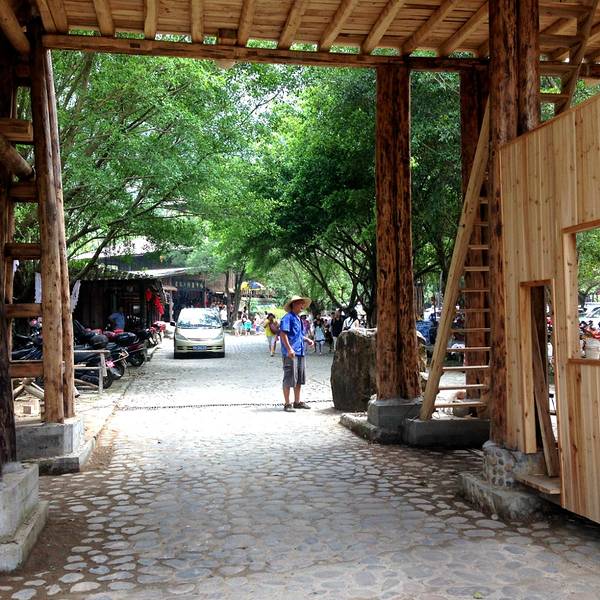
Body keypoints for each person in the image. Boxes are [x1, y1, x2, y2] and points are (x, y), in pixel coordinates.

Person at [279, 295, 314, 412]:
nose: (302, 306)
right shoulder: (287, 318)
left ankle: (297, 402)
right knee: (289, 377)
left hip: (300, 352)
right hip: (291, 353)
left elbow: (298, 335)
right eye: (300, 303)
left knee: (299, 378)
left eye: (303, 303)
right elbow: (283, 334)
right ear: (294, 304)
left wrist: (307, 339)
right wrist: (289, 349)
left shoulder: (299, 319)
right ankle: (287, 403)